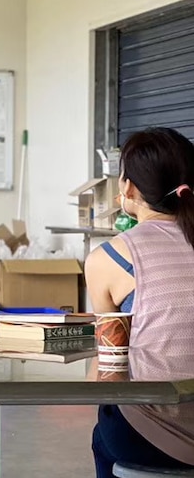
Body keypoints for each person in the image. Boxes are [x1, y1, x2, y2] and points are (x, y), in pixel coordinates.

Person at [85, 127, 194, 477]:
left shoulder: (111, 258)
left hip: (154, 437)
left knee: (104, 434)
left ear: (128, 188)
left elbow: (108, 375)